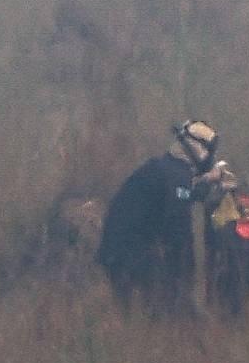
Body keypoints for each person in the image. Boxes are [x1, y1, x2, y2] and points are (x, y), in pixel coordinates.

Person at [96, 119, 230, 311]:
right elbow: (179, 230)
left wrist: (199, 190)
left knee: (131, 311)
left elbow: (171, 199)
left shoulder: (162, 168)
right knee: (172, 309)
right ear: (198, 149)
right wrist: (187, 275)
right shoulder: (176, 178)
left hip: (117, 248)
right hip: (132, 253)